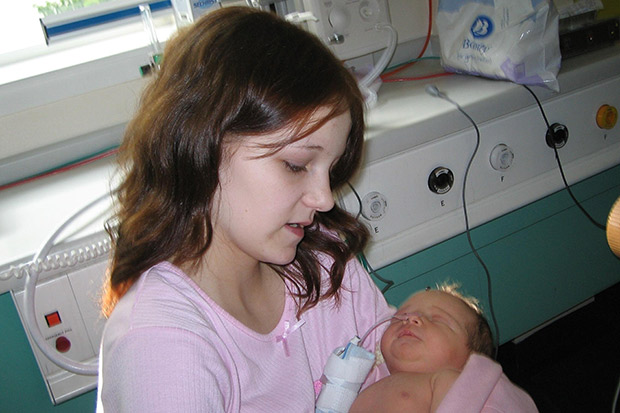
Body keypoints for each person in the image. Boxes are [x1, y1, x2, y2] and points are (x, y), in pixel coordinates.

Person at [96, 6, 394, 412]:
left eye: (330, 169)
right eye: (296, 165)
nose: (324, 199)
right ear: (202, 145)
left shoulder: (325, 261)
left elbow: (410, 373)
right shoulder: (163, 348)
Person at [350, 284, 538, 413]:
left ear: (469, 360)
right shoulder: (368, 379)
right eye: (401, 315)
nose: (411, 319)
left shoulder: (448, 380)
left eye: (437, 320)